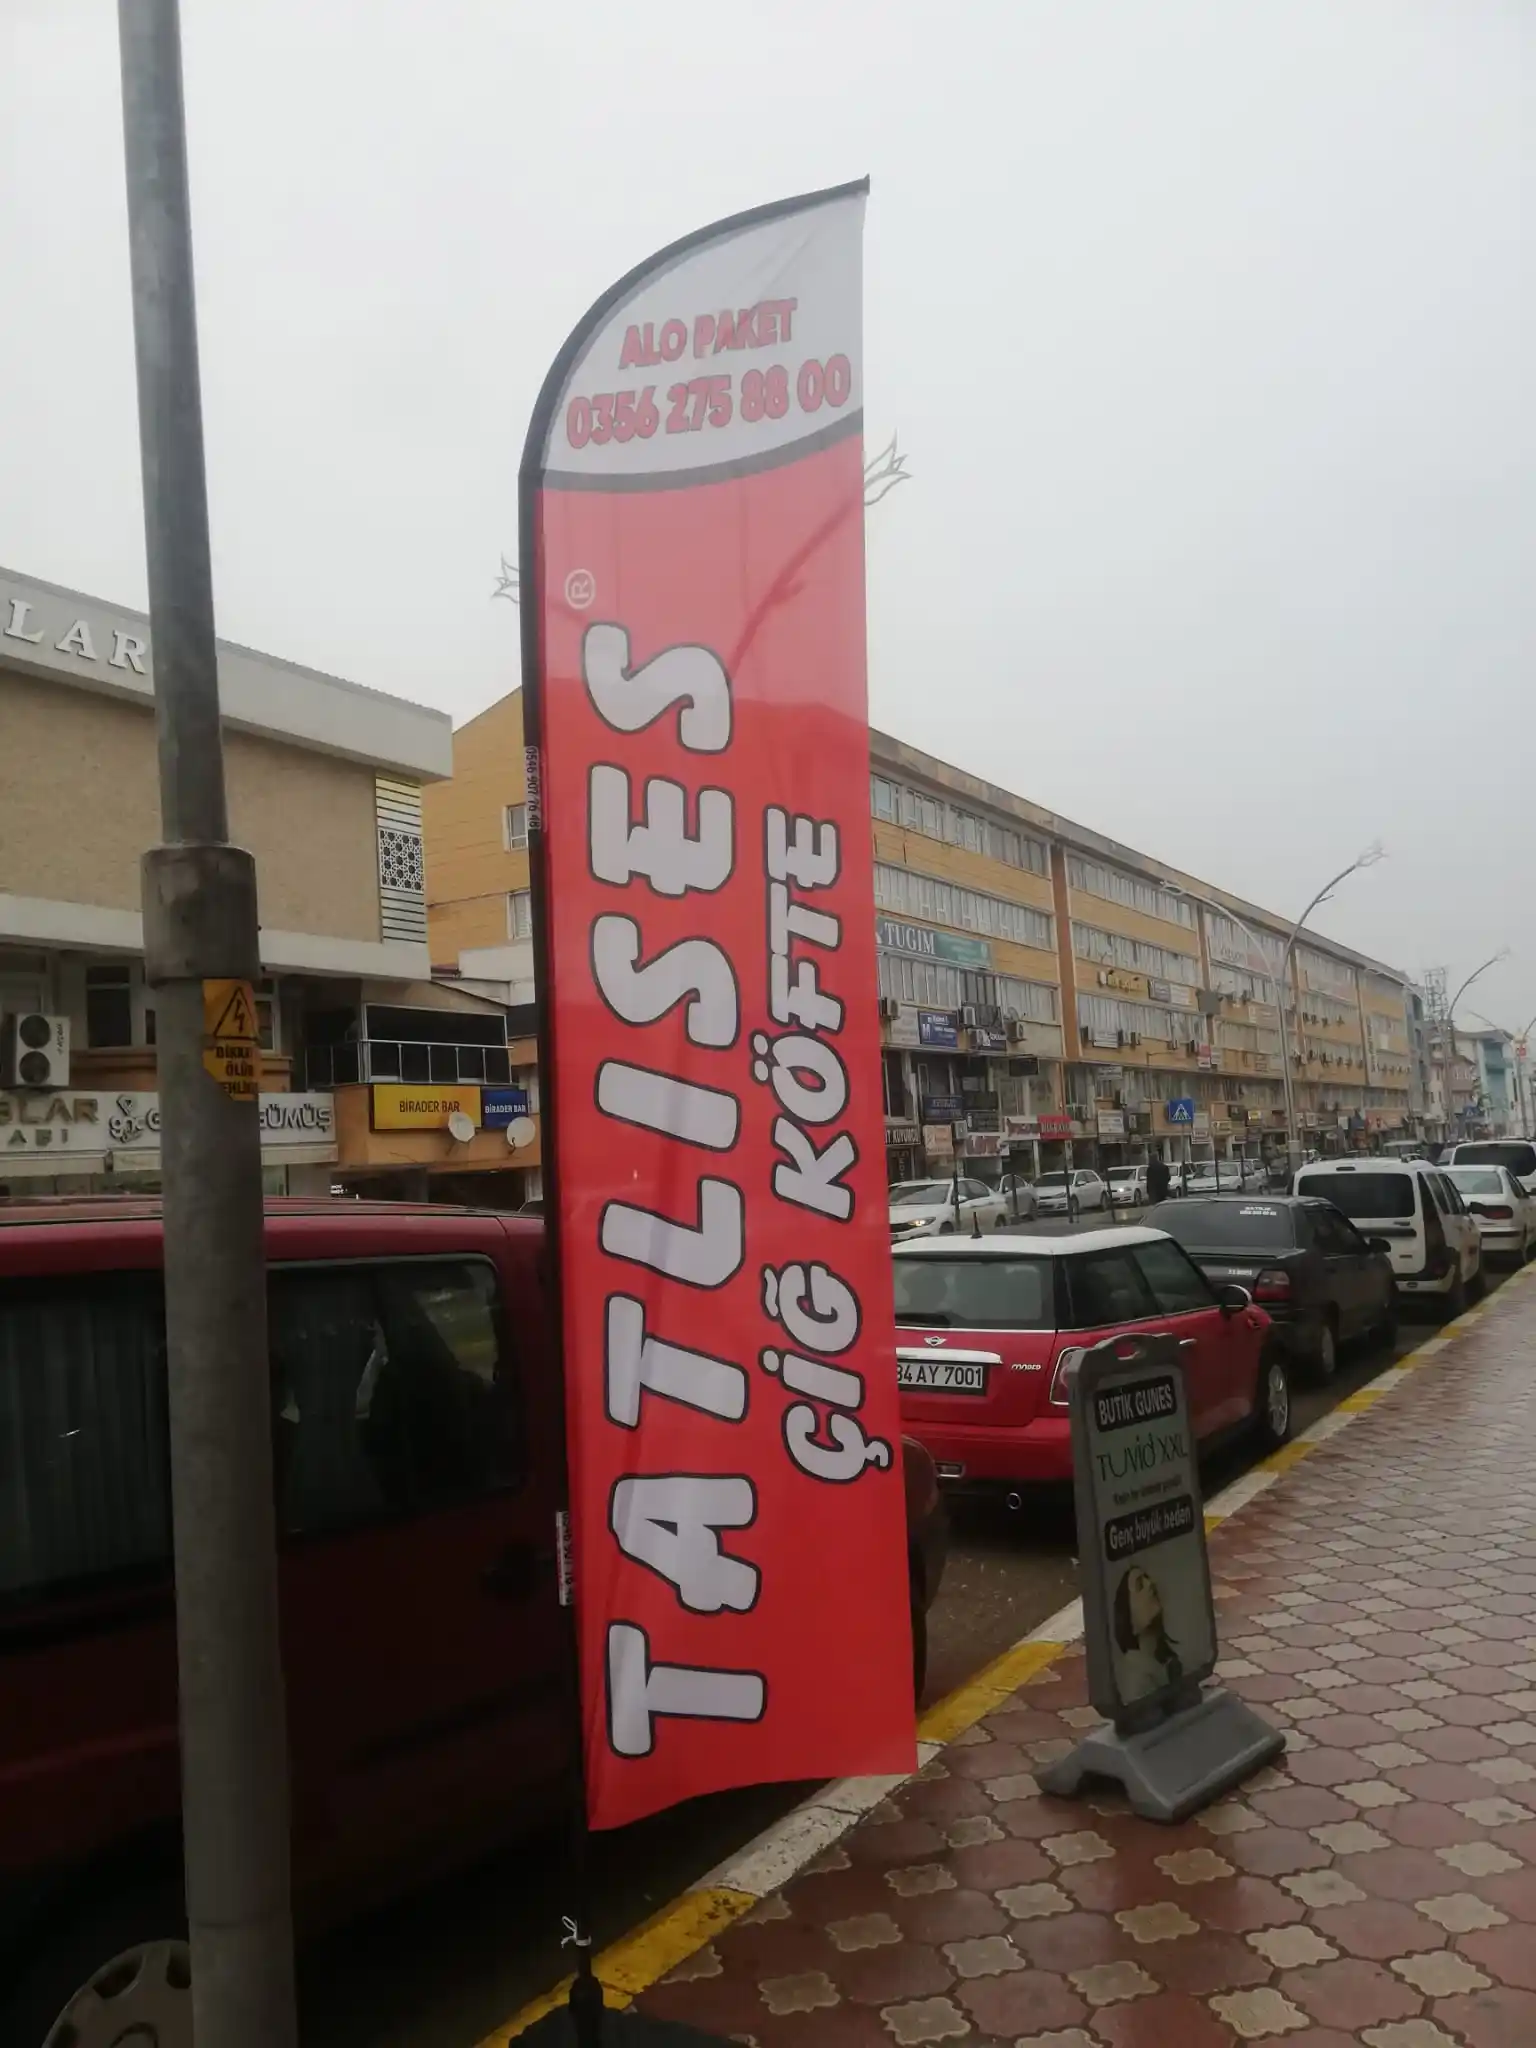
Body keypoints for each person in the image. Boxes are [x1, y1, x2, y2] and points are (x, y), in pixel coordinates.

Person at [1112, 1564, 1183, 1702]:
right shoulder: (1134, 1676)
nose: (1150, 1583)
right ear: (1127, 1614)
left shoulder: (1166, 1661)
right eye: (1139, 1585)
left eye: (1147, 1578)